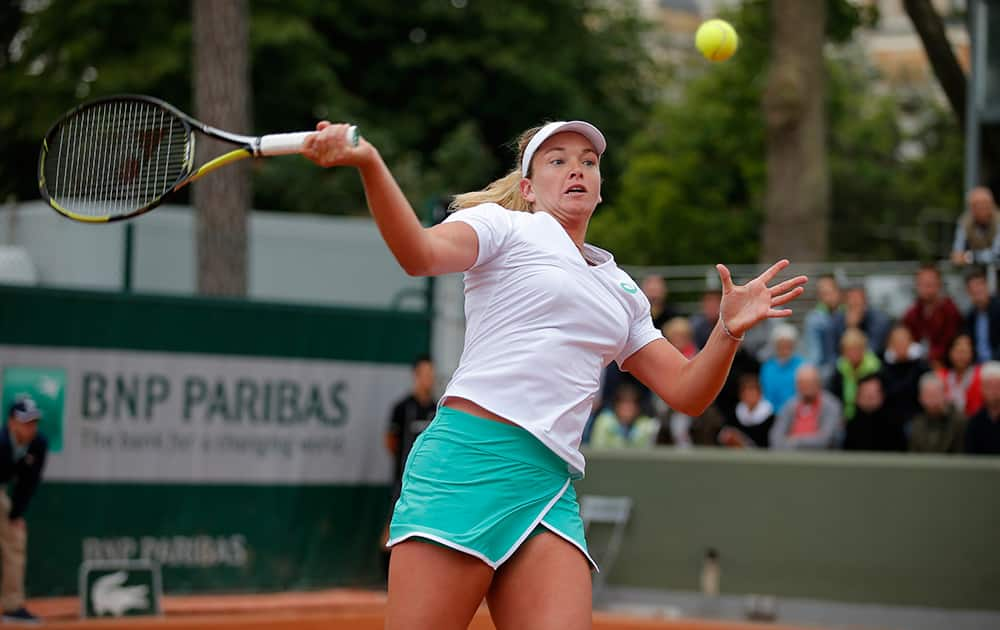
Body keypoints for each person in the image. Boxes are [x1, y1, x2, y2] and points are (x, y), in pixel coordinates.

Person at [302, 119, 808, 628]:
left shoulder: (622, 289)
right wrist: (370, 163)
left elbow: (688, 392)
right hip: (467, 465)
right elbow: (419, 253)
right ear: (527, 186)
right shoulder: (503, 227)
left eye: (589, 162)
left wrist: (727, 330)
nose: (577, 170)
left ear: (601, 185)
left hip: (548, 488)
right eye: (558, 160)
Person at [382, 354, 438, 580]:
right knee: (393, 526)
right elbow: (390, 442)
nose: (429, 379)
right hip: (403, 478)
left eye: (431, 375)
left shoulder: (438, 409)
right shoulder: (402, 408)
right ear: (416, 375)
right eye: (425, 374)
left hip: (431, 482)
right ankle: (386, 577)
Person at [0, 398, 47, 624]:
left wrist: (15, 515)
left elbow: (28, 483)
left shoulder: (38, 444)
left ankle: (11, 606)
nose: (31, 428)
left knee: (15, 537)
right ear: (11, 423)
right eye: (25, 422)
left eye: (34, 422)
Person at [902, 265, 962, 369]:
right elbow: (907, 340)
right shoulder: (912, 313)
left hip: (947, 365)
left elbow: (951, 343)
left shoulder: (949, 310)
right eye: (922, 284)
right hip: (916, 364)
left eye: (930, 284)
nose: (926, 288)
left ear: (938, 285)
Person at [770, 364, 842, 450]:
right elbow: (775, 437)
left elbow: (825, 439)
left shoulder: (831, 405)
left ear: (818, 383)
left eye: (810, 382)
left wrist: (794, 441)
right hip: (791, 458)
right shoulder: (789, 405)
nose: (806, 386)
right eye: (802, 383)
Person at [878, 324, 929, 432]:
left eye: (903, 341)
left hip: (916, 419)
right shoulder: (882, 367)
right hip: (889, 419)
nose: (900, 345)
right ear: (889, 345)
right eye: (896, 342)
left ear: (911, 343)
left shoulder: (922, 367)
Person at [828, 328, 882, 422]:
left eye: (857, 349)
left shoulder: (875, 368)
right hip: (846, 418)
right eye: (849, 350)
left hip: (873, 417)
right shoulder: (839, 369)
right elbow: (834, 396)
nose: (853, 354)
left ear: (864, 349)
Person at [842, 374, 905, 452]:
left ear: (882, 395)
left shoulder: (894, 425)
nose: (870, 398)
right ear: (857, 397)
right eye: (865, 393)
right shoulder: (851, 426)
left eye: (874, 394)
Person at [909, 372, 966, 454]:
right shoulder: (917, 424)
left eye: (935, 395)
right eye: (928, 395)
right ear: (920, 398)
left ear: (945, 395)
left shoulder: (959, 421)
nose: (932, 400)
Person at [830, 283, 892, 359]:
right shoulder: (837, 319)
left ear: (865, 301)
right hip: (844, 364)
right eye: (850, 298)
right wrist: (850, 327)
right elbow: (834, 350)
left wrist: (853, 328)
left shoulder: (879, 319)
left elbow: (873, 350)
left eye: (857, 298)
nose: (854, 302)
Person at [588, 385, 659, 449]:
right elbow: (597, 449)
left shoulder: (645, 424)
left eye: (631, 404)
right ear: (616, 406)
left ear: (637, 408)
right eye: (624, 404)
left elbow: (647, 451)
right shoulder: (604, 421)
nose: (627, 409)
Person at [718, 373, 774, 448]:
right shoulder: (735, 414)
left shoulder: (771, 418)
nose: (749, 395)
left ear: (759, 394)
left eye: (752, 391)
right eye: (746, 392)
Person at [758, 323, 804, 415]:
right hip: (771, 414)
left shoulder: (802, 365)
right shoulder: (767, 367)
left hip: (796, 414)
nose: (785, 349)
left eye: (788, 345)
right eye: (781, 345)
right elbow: (765, 394)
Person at [801, 274, 841, 377]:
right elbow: (814, 353)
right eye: (823, 293)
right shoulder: (814, 319)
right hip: (826, 370)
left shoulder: (846, 313)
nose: (827, 296)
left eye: (830, 292)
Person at [950, 186, 1000, 267]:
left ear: (991, 205)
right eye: (977, 206)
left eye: (985, 205)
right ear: (971, 208)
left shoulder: (998, 220)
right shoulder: (964, 221)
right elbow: (957, 254)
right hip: (974, 271)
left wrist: (969, 257)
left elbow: (996, 254)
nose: (982, 209)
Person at [936, 333, 983, 419]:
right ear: (950, 352)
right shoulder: (940, 376)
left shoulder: (981, 375)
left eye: (965, 352)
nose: (961, 356)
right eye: (958, 351)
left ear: (972, 353)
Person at [962, 267, 1000, 363]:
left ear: (986, 286)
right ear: (968, 292)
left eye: (979, 285)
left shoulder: (998, 308)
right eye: (972, 288)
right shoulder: (970, 317)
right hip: (977, 365)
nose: (977, 290)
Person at [964, 361, 1000, 454]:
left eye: (997, 386)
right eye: (989, 386)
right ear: (981, 389)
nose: (994, 391)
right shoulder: (974, 422)